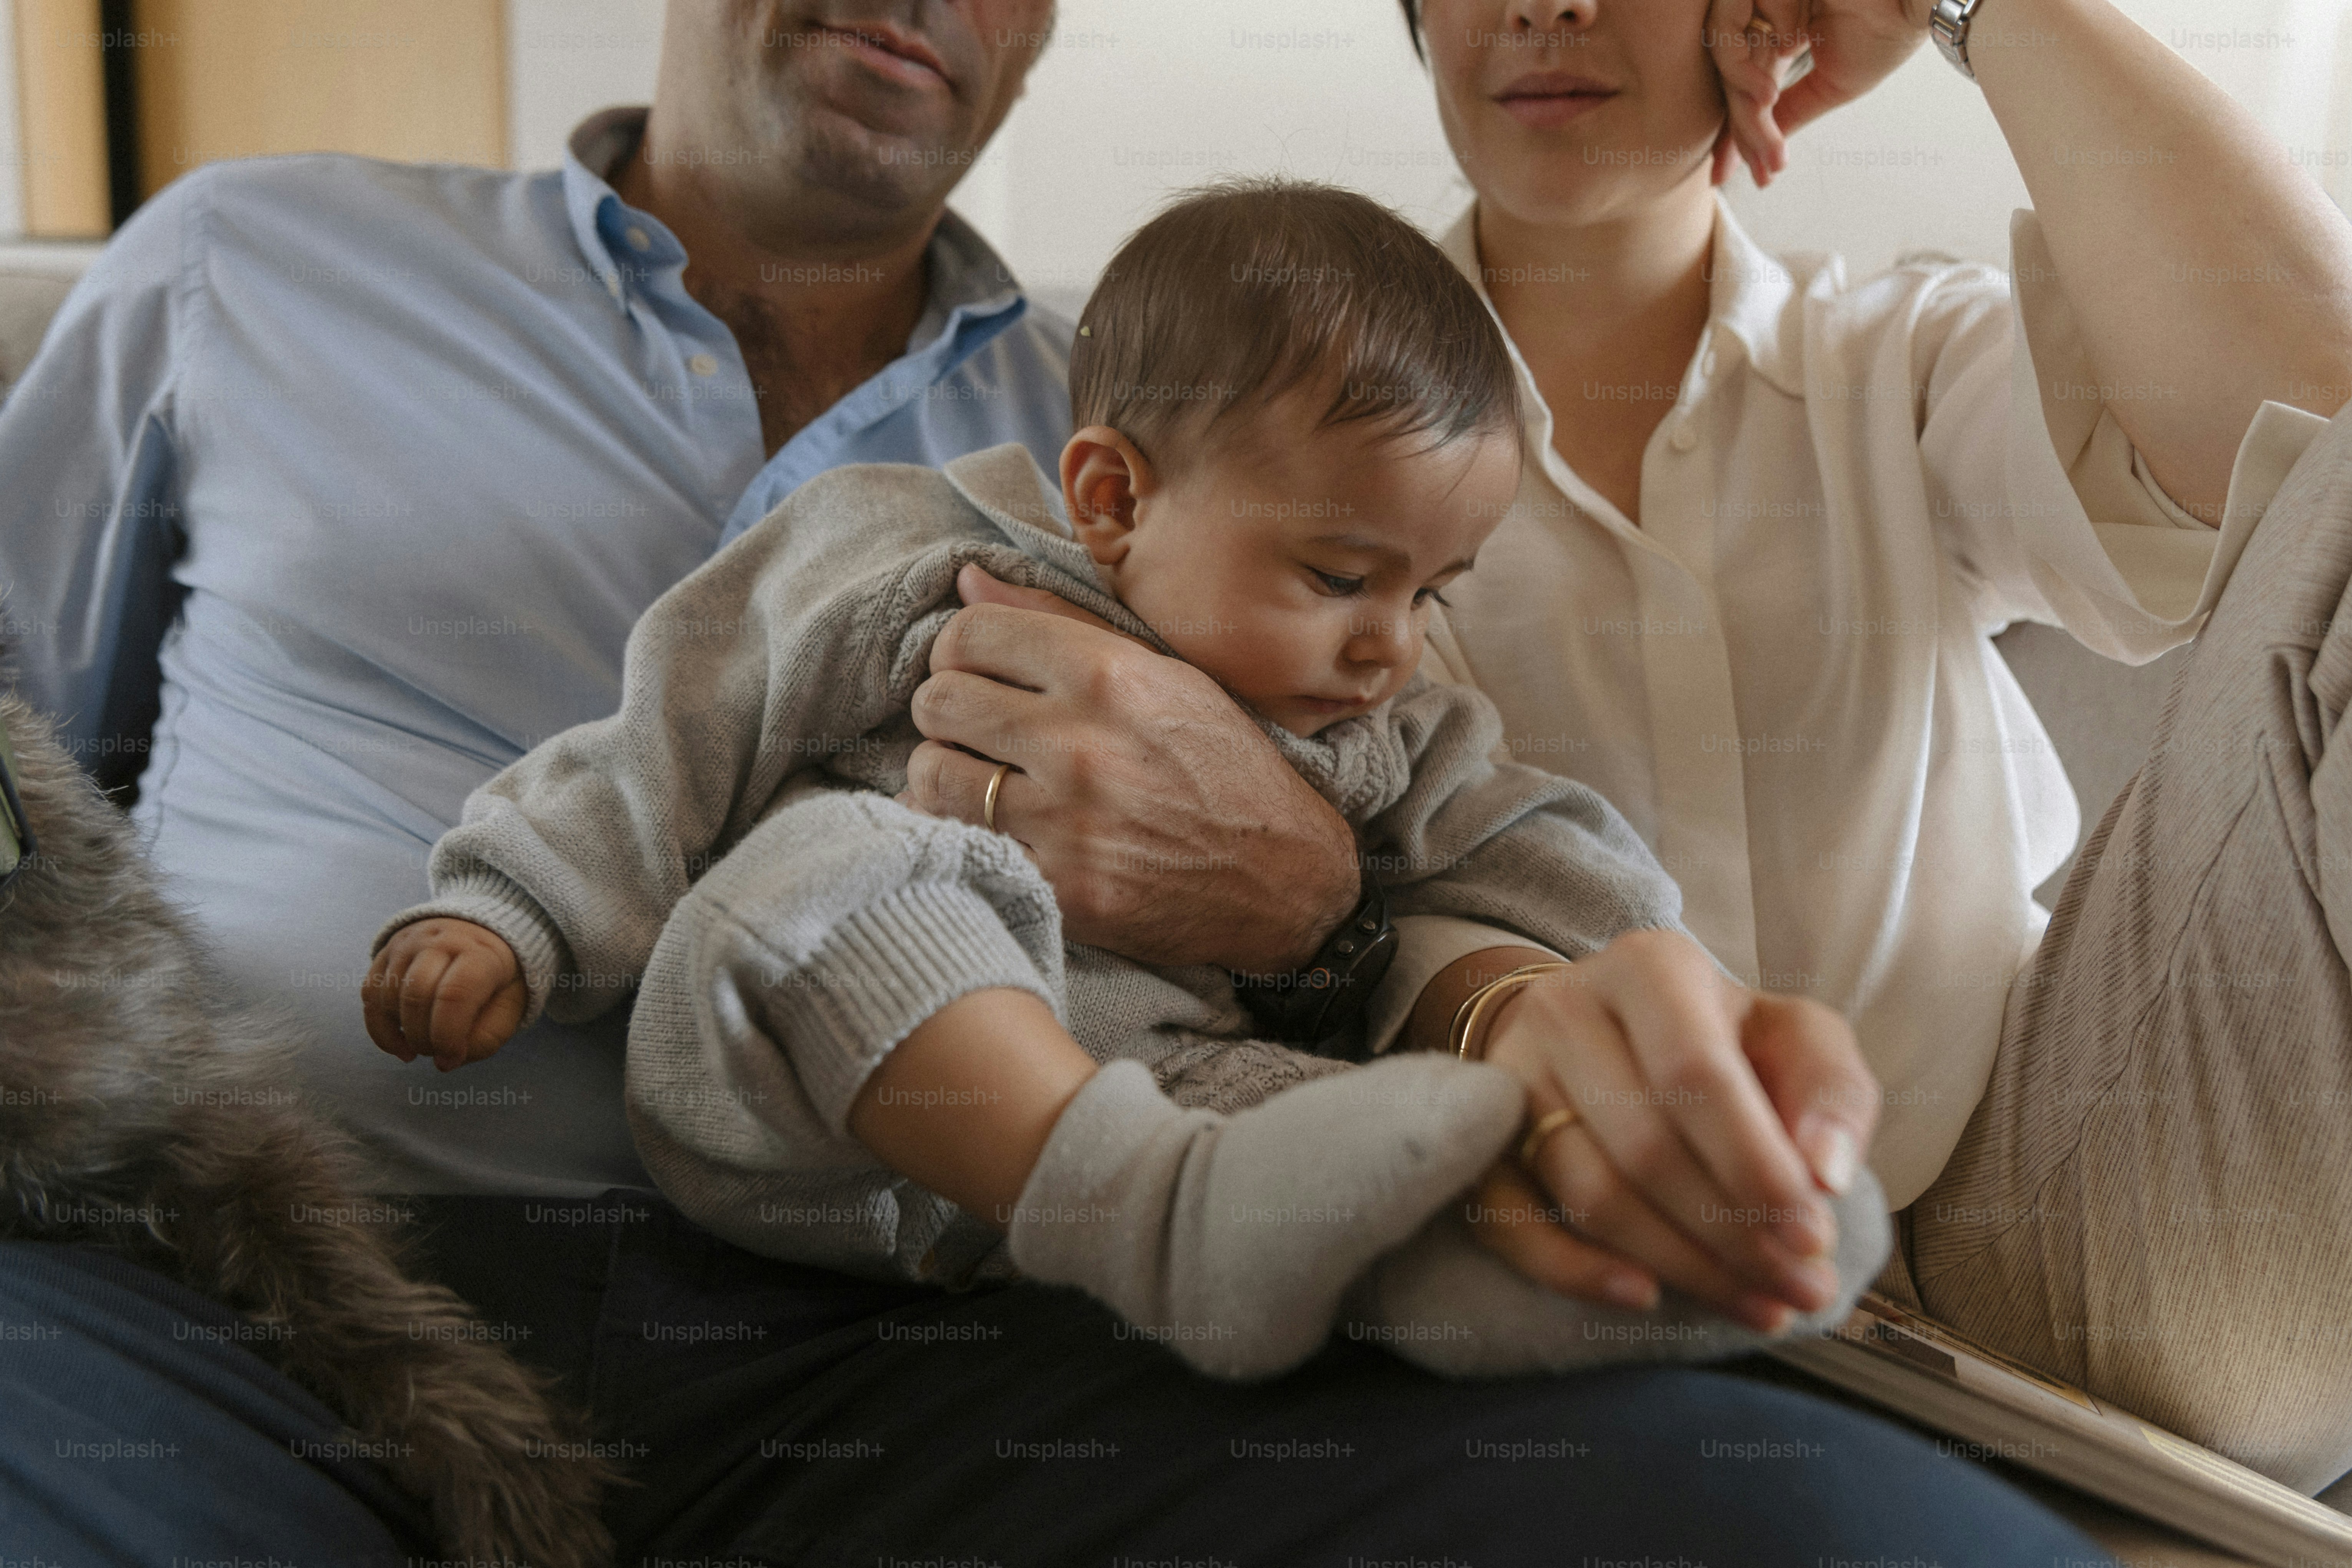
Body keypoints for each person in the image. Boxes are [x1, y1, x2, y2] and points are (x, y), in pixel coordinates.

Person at [0, 1, 2115, 1561]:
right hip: (260, 1296)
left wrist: (1327, 909)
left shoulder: (1209, 400)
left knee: (1852, 1535)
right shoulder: (251, 261)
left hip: (968, 1319)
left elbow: (1446, 820)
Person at [880, 0, 2352, 1498]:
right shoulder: (1258, 430)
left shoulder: (1895, 361)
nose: (1548, 7)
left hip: (2077, 1210)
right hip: (1591, 1252)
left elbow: (2310, 433)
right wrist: (1464, 987)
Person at [360, 179, 1892, 1380]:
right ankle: (1152, 1207)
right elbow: (678, 723)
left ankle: (1664, 1267)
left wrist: (1657, 1027)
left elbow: (1542, 856)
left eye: (1432, 593)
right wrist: (516, 912)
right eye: (1341, 573)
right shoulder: (920, 560)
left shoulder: (1382, 733)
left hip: (1176, 1125)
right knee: (843, 865)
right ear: (1111, 497)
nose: (1389, 646)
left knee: (1382, 1158)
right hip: (811, 1101)